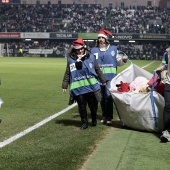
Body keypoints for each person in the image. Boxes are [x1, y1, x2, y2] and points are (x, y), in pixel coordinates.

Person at [62, 38, 106, 130]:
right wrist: (65, 85)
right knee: (81, 106)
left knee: (92, 105)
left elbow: (97, 69)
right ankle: (84, 123)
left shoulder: (91, 57)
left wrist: (103, 80)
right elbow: (68, 72)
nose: (79, 51)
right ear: (74, 49)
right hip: (78, 88)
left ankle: (94, 118)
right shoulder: (70, 59)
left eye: (81, 49)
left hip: (91, 86)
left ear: (84, 48)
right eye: (77, 49)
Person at [91, 29, 128, 125]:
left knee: (108, 96)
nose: (100, 39)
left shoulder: (113, 49)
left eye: (102, 38)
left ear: (106, 39)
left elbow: (118, 61)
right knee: (102, 98)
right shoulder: (94, 50)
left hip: (110, 77)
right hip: (98, 78)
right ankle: (104, 115)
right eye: (99, 38)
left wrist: (123, 60)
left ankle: (109, 117)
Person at [156, 48, 170, 143]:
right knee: (168, 107)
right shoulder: (169, 52)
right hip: (169, 82)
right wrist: (162, 68)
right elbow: (168, 65)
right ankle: (167, 132)